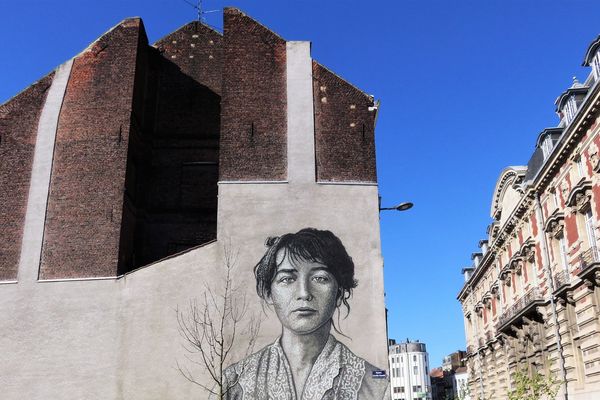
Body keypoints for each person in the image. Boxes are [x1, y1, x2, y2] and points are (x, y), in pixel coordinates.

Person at [221, 228, 390, 400]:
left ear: (339, 294)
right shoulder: (234, 382)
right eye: (287, 279)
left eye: (320, 278)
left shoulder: (376, 385)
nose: (304, 293)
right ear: (268, 293)